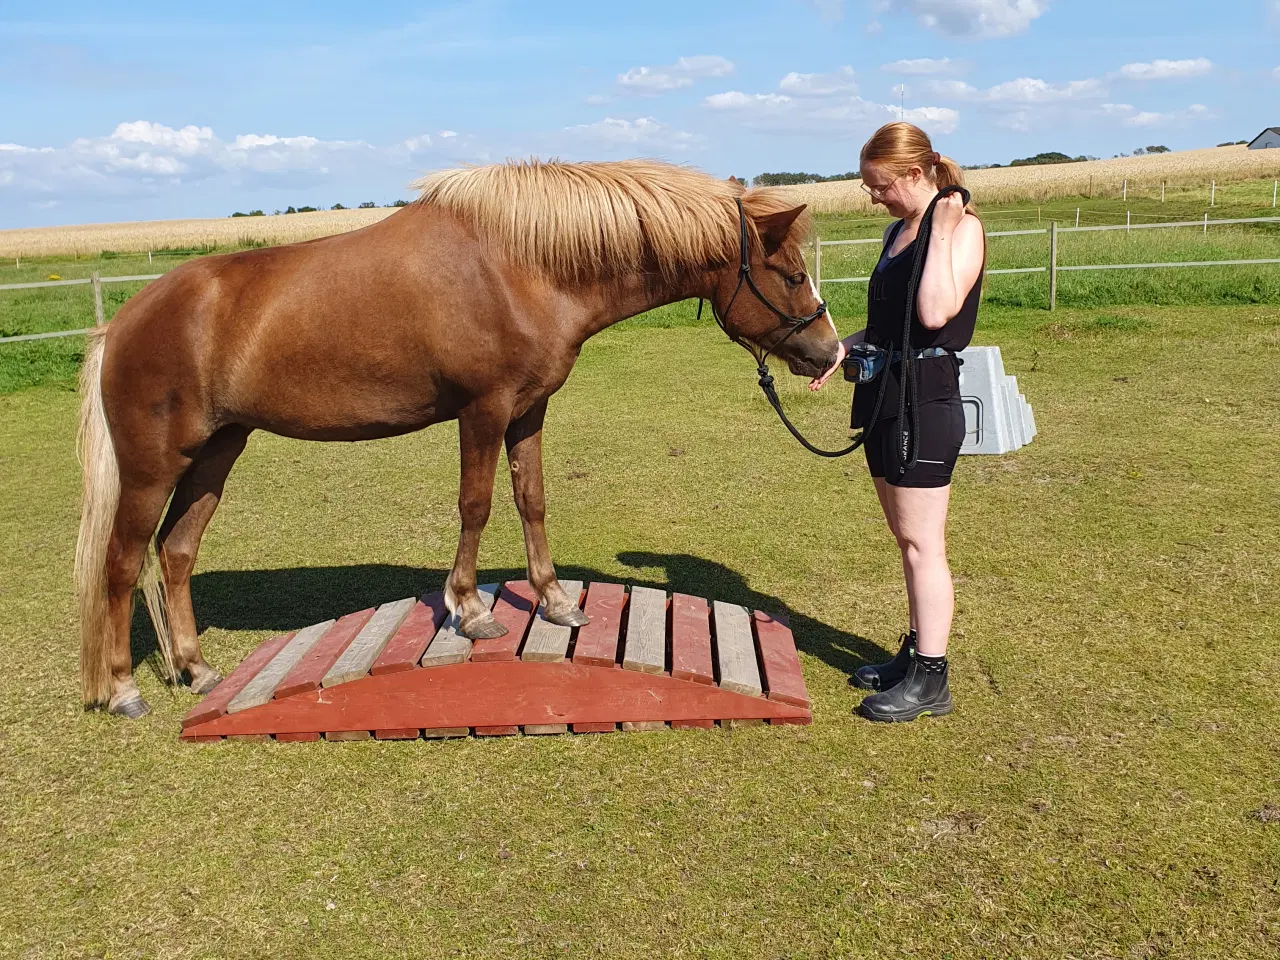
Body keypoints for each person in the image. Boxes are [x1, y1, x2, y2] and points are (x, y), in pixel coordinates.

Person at [810, 122, 986, 723]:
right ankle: (913, 655)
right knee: (904, 540)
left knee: (922, 544)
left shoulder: (961, 229)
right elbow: (888, 325)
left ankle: (932, 680)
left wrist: (940, 226)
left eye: (880, 185)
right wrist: (841, 350)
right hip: (884, 392)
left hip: (927, 400)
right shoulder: (895, 230)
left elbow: (936, 310)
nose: (874, 197)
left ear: (915, 174)